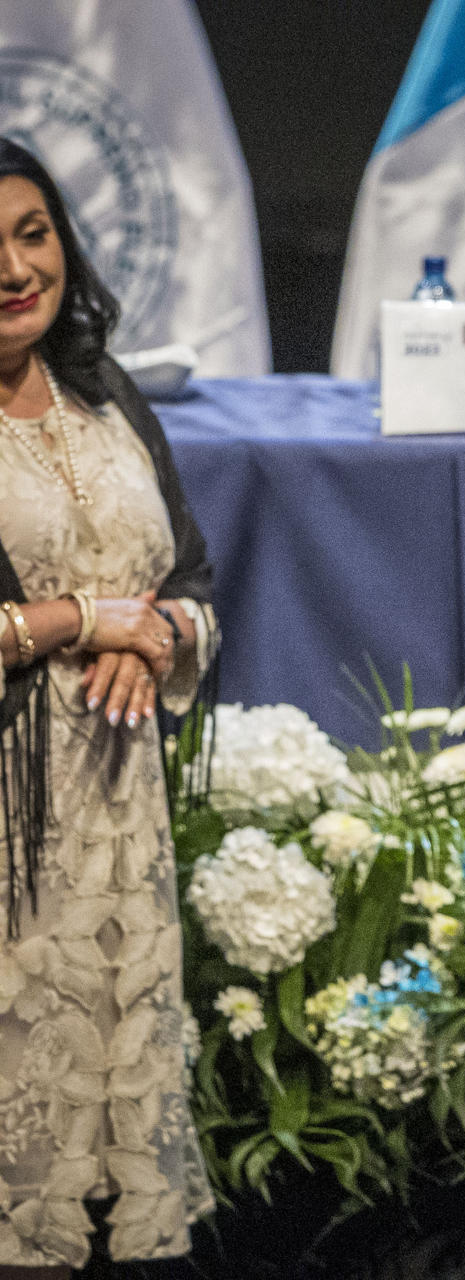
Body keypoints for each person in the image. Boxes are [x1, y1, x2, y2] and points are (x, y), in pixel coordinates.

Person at [0, 140, 221, 1274]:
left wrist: (163, 635)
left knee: (107, 1132)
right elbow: (103, 605)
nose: (12, 268)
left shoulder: (100, 384)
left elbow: (185, 575)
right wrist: (87, 621)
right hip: (8, 830)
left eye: (32, 233)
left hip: (116, 822)